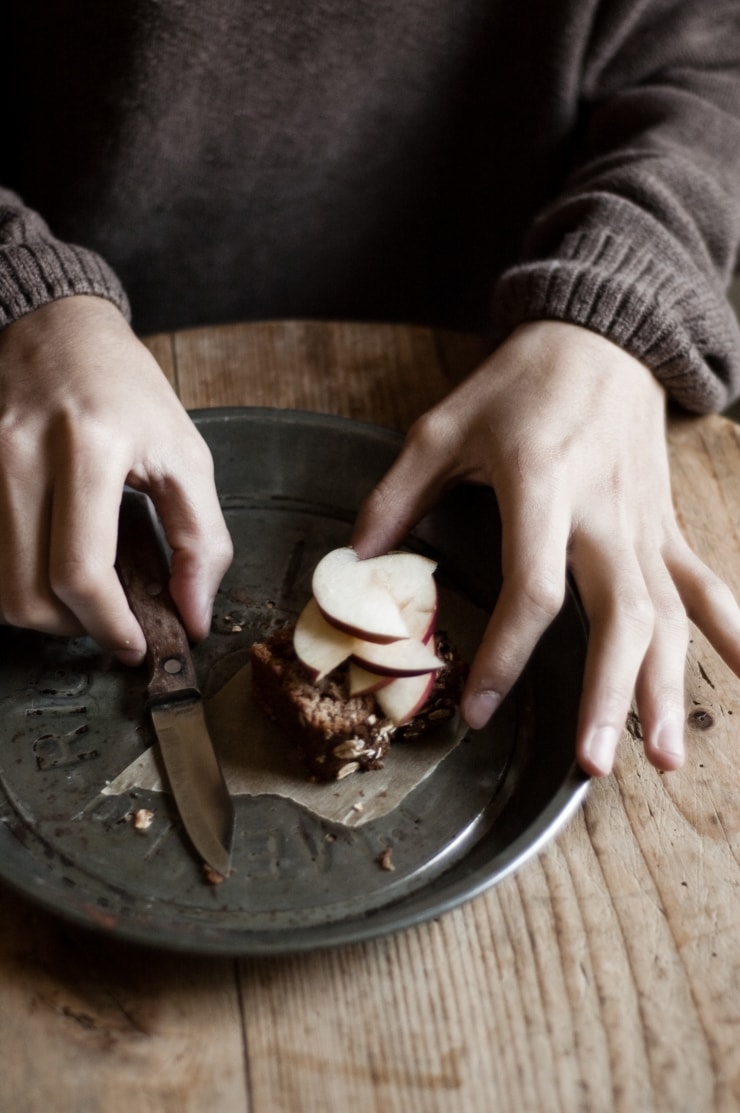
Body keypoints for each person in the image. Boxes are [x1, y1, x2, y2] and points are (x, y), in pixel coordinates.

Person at [1, 0, 739, 778]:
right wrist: (18, 286)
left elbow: (710, 62)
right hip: (46, 389)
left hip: (510, 393)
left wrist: (623, 294)